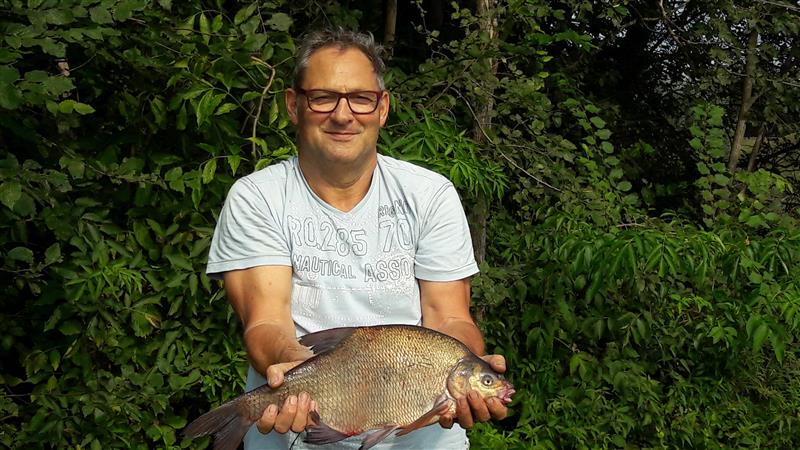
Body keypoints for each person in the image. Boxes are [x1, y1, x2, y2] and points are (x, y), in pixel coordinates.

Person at [206, 28, 508, 449]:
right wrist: (290, 369)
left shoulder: (429, 194)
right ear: (294, 105)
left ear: (382, 108)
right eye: (323, 97)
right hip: (293, 433)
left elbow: (449, 316)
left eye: (361, 98)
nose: (343, 115)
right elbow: (266, 321)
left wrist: (468, 371)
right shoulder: (258, 197)